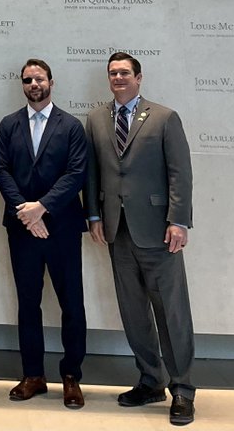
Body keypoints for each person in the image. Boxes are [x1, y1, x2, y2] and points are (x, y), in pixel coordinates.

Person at [86, 52, 196, 427]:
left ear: (139, 77)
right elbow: (93, 173)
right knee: (134, 313)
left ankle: (182, 389)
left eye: (124, 73)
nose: (118, 78)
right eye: (113, 73)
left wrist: (178, 221)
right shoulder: (97, 119)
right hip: (118, 232)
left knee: (171, 312)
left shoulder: (164, 117)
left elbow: (180, 173)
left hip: (159, 232)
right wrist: (94, 215)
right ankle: (151, 381)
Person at [0, 57, 87, 409]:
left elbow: (76, 173)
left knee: (72, 304)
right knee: (28, 304)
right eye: (28, 80)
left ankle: (71, 376)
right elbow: (2, 171)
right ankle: (33, 374)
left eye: (40, 79)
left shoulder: (71, 126)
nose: (34, 85)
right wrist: (27, 213)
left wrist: (42, 207)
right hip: (22, 230)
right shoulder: (8, 125)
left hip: (62, 228)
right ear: (22, 85)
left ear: (51, 82)